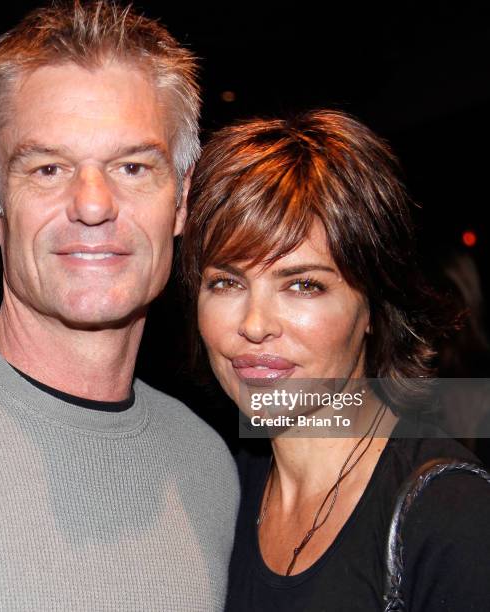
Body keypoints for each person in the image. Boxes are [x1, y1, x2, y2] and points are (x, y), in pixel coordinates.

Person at [0, 2, 239, 610]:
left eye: (133, 167)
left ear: (181, 200)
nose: (93, 204)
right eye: (49, 168)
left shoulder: (210, 470)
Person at [180, 110, 490, 610]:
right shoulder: (218, 492)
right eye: (227, 282)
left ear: (372, 304)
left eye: (303, 285)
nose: (255, 324)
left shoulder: (452, 518)